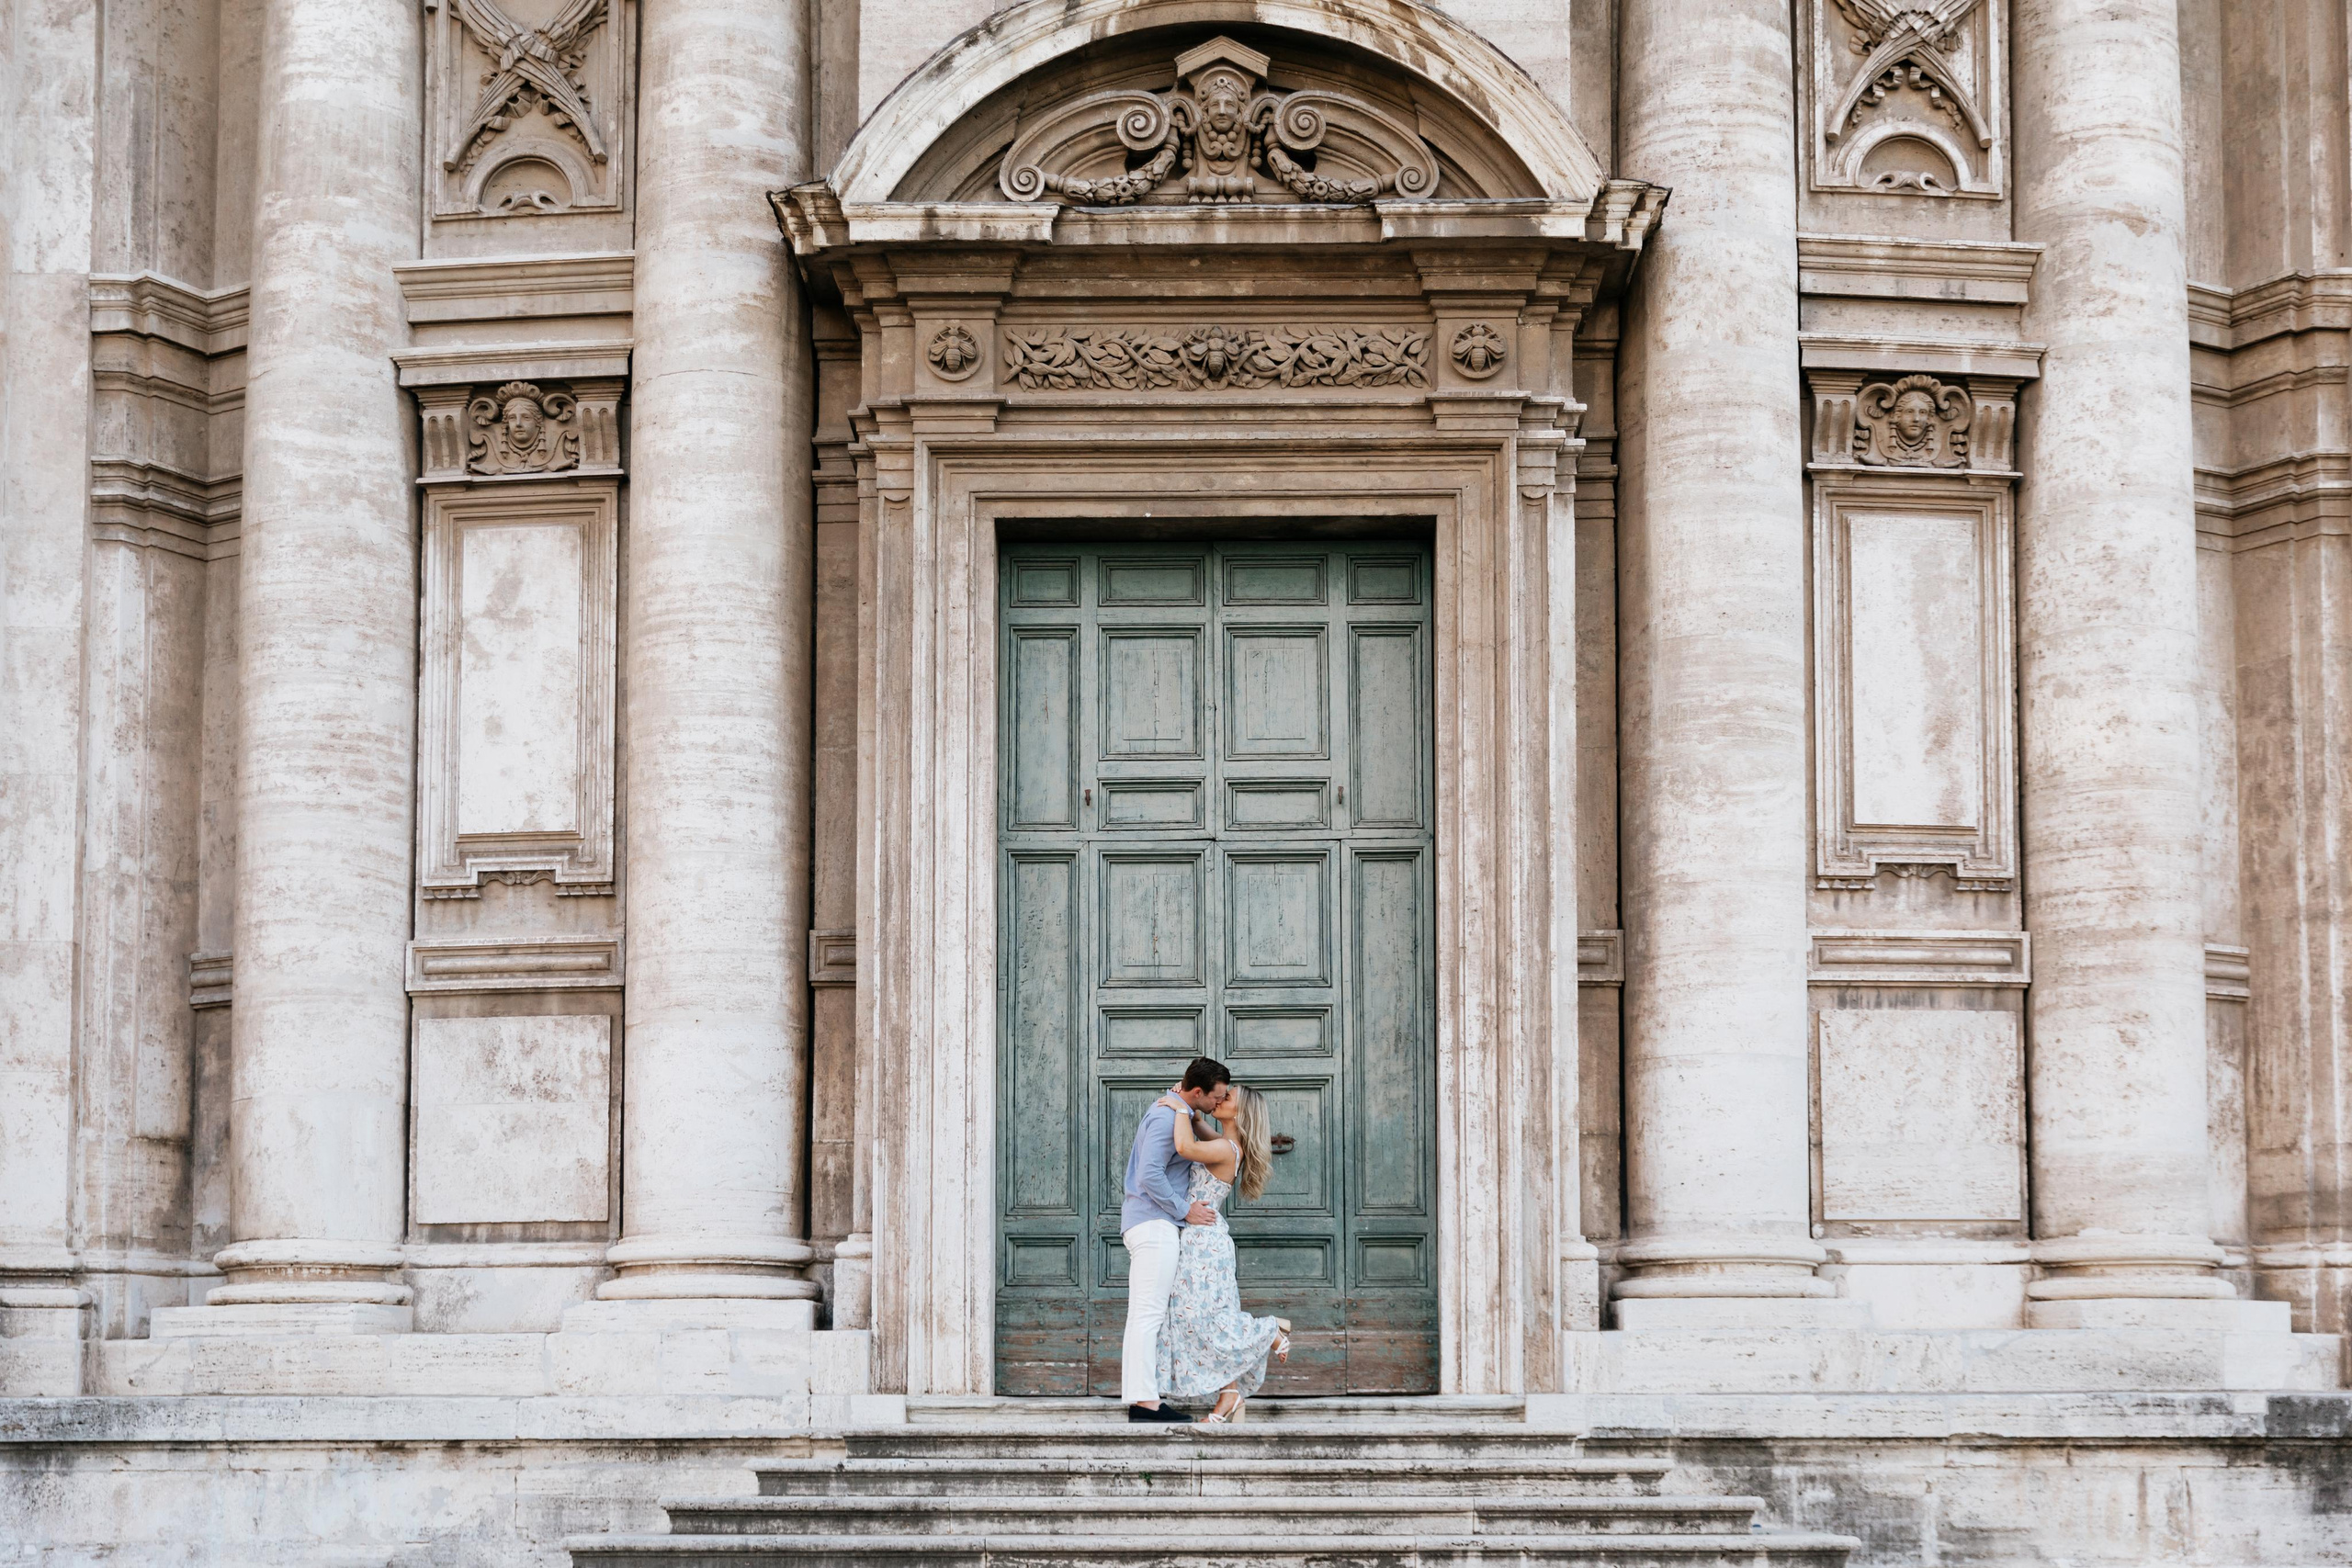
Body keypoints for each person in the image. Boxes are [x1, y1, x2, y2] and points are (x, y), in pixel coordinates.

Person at [1157, 1083, 1292, 1423]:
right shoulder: (1226, 1143)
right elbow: (1200, 1131)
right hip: (1203, 1240)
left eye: (1227, 1097)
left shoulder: (1225, 1149)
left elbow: (1185, 1146)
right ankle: (1229, 1394)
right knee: (1207, 1316)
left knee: (1199, 1319)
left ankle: (1270, 1331)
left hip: (1203, 1244)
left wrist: (1177, 1105)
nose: (1219, 1098)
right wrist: (1191, 1110)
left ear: (1239, 1112)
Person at [1119, 1055, 1228, 1422]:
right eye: (1216, 1097)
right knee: (1147, 1315)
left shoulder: (1176, 1111)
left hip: (1151, 1223)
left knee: (1144, 1315)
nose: (1219, 1103)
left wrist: (1188, 1112)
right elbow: (1150, 1174)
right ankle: (1145, 1403)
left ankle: (1143, 1399)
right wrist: (1185, 1210)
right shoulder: (1168, 1117)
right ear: (1197, 1091)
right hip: (1154, 1225)